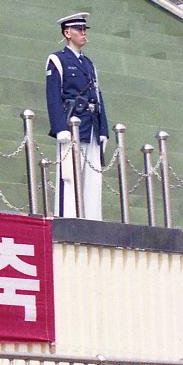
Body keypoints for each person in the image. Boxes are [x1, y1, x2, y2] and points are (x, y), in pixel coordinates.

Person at [45, 12, 108, 220]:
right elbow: (53, 96)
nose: (83, 33)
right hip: (72, 125)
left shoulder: (89, 63)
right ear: (67, 33)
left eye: (84, 29)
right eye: (79, 29)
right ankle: (68, 218)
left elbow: (98, 96)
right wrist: (60, 127)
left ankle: (91, 219)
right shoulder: (58, 59)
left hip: (92, 125)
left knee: (92, 178)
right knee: (69, 176)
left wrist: (104, 131)